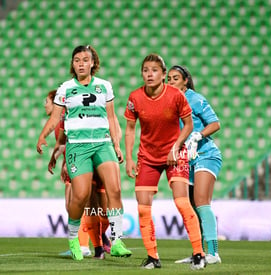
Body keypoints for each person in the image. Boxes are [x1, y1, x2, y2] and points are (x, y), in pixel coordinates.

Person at [36, 45, 131, 261]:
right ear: (73, 64)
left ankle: (116, 241)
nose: (80, 63)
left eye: (85, 60)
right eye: (77, 60)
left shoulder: (104, 86)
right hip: (78, 146)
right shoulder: (65, 88)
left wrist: (116, 144)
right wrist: (43, 136)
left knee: (115, 189)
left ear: (92, 63)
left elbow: (112, 117)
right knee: (80, 196)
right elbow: (55, 118)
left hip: (102, 143)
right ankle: (73, 238)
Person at [124, 53, 206, 270]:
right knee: (143, 208)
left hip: (174, 154)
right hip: (147, 157)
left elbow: (188, 125)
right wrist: (129, 158)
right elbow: (130, 129)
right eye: (145, 70)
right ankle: (153, 257)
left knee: (181, 202)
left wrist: (176, 146)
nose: (149, 74)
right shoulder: (135, 98)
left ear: (162, 74)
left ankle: (199, 253)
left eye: (154, 70)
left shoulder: (176, 96)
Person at [167, 65, 222, 264]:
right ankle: (199, 252)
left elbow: (215, 123)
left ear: (185, 81)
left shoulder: (195, 99)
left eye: (175, 78)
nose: (170, 82)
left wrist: (198, 136)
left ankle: (213, 253)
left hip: (205, 154)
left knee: (201, 202)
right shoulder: (170, 102)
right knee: (190, 206)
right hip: (185, 159)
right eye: (169, 79)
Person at [44, 90, 92, 257]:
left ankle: (84, 245)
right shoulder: (61, 120)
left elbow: (70, 142)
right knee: (72, 205)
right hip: (73, 162)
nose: (45, 105)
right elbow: (63, 144)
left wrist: (64, 162)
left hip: (76, 163)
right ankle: (83, 243)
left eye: (47, 101)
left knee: (76, 204)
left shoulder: (66, 118)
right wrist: (54, 158)